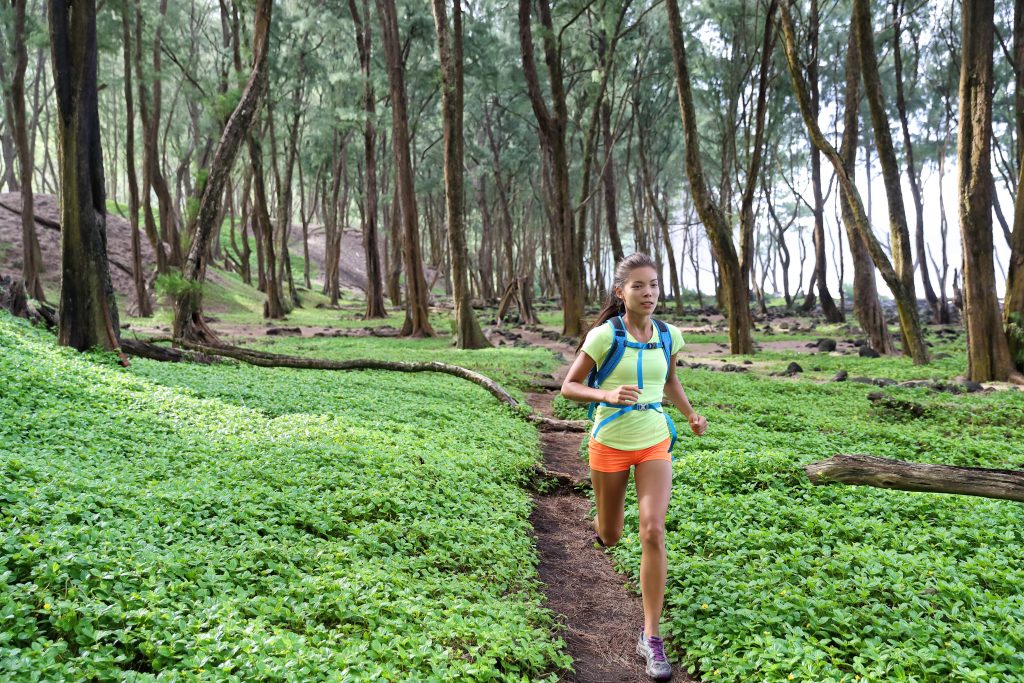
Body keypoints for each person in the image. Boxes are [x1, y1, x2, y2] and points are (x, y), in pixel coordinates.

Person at [560, 252, 707, 681]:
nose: (649, 293)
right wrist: (604, 395)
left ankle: (651, 636)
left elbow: (671, 380)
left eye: (654, 285)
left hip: (654, 440)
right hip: (609, 444)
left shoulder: (667, 334)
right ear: (620, 292)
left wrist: (690, 415)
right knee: (611, 533)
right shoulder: (604, 336)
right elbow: (569, 386)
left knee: (653, 528)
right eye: (639, 286)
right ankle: (604, 531)